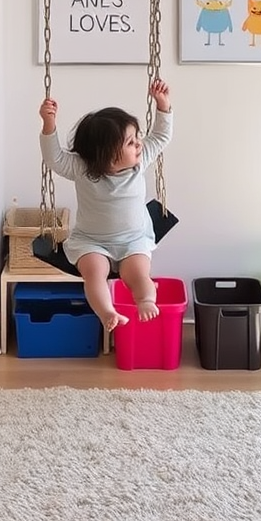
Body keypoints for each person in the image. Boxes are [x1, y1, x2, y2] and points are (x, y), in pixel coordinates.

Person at [38, 79, 172, 333]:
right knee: (93, 274)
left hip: (133, 240)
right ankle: (107, 312)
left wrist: (163, 105)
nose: (139, 144)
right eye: (131, 142)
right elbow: (54, 158)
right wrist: (49, 124)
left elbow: (161, 136)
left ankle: (145, 300)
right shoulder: (81, 168)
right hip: (91, 241)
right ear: (108, 155)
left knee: (139, 276)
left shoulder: (138, 162)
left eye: (136, 138)